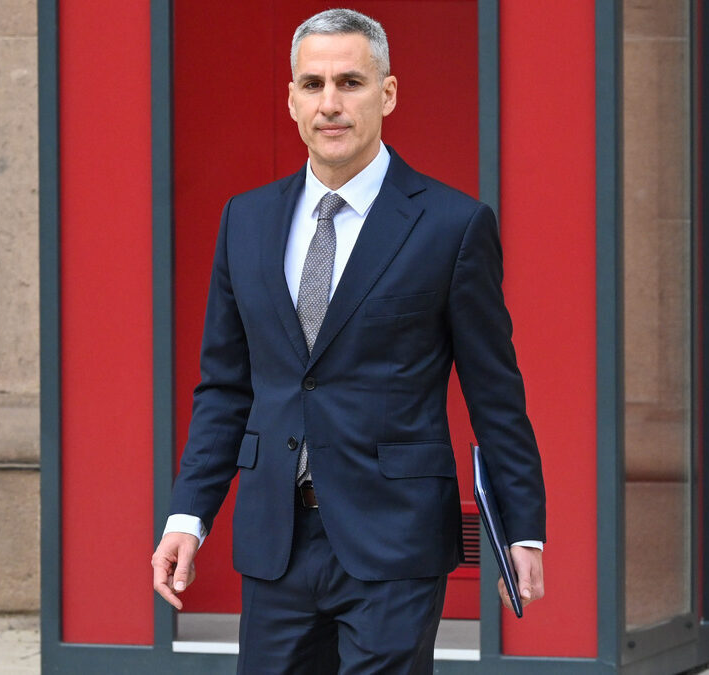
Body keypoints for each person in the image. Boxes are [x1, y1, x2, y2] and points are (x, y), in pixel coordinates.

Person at [152, 8, 546, 673]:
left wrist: (522, 527)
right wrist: (187, 516)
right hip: (276, 540)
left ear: (386, 94)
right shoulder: (246, 219)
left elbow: (495, 394)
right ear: (292, 100)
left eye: (350, 82)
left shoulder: (452, 225)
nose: (329, 103)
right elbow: (225, 388)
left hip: (396, 540)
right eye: (312, 84)